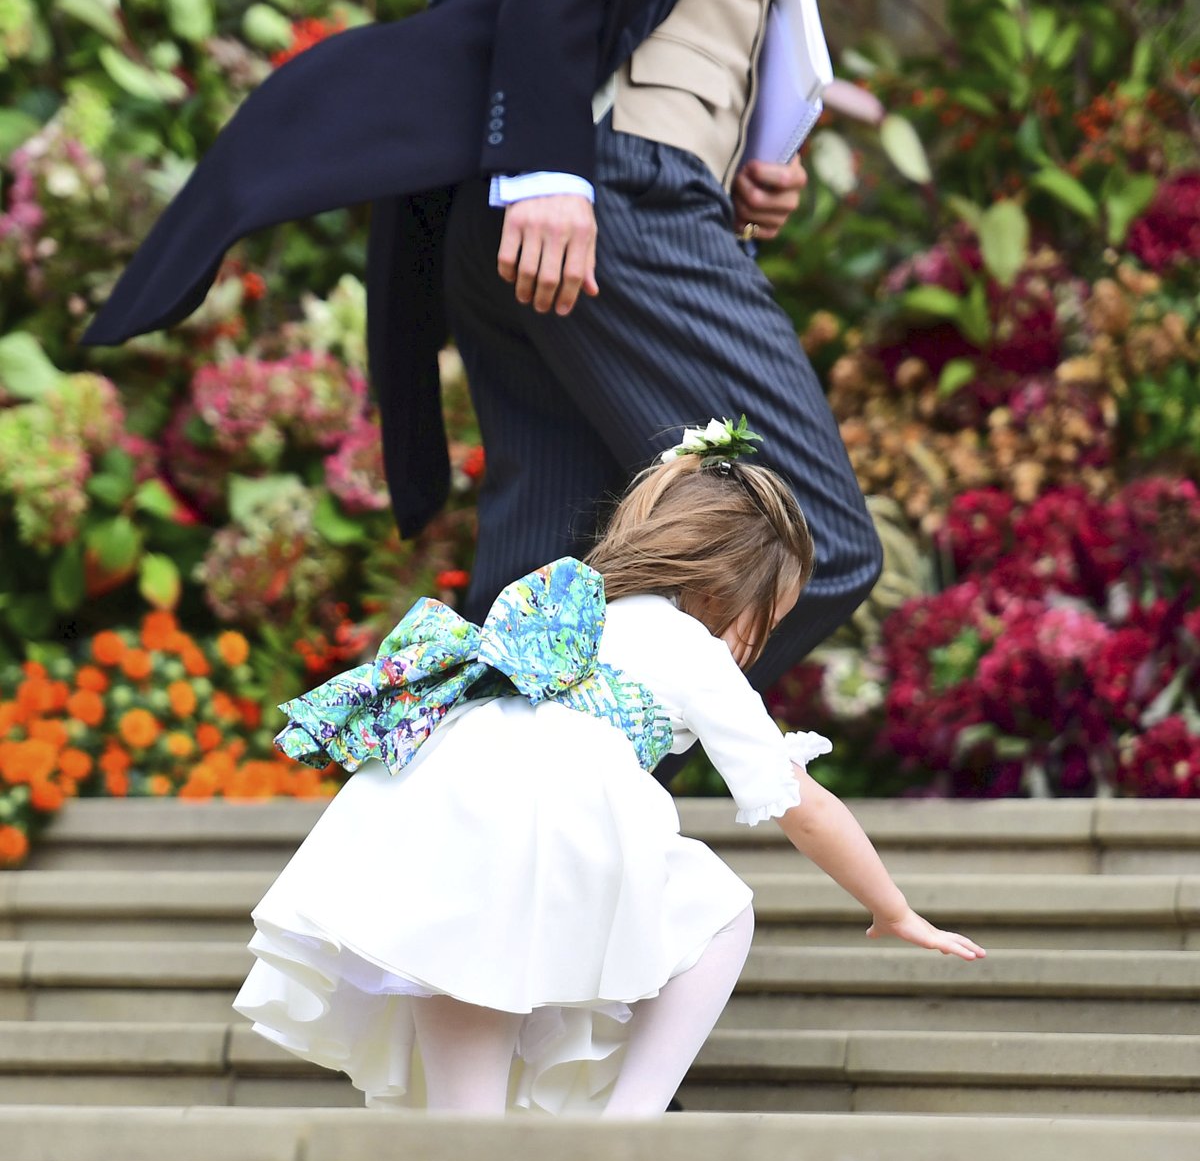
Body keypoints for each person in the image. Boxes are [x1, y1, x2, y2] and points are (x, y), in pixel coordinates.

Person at [80, 0, 882, 695]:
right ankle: (549, 793)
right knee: (801, 543)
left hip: (588, 201)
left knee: (544, 603)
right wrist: (545, 162)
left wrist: (744, 158)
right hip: (603, 201)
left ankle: (487, 810)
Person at [233, 423, 982, 1117]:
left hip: (449, 796)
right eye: (767, 620)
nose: (758, 644)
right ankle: (630, 1122)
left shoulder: (568, 611)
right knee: (719, 909)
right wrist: (894, 909)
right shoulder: (694, 650)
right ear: (724, 594)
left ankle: (463, 1150)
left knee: (459, 960)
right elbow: (803, 805)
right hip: (554, 817)